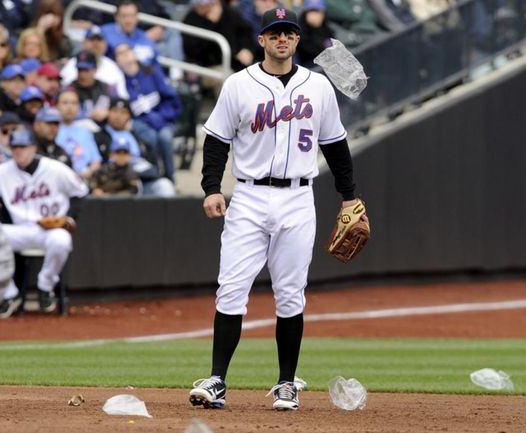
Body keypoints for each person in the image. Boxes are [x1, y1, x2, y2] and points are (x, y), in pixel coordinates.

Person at [190, 7, 366, 411]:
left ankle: (286, 384)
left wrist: (350, 194)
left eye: (288, 32)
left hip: (298, 198)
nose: (282, 38)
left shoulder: (318, 86)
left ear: (297, 40)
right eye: (274, 33)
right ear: (262, 40)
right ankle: (217, 380)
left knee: (291, 295)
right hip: (249, 196)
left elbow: (335, 145)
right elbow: (216, 140)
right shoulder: (238, 85)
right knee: (231, 289)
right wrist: (211, 188)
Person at [0, 126, 89, 318]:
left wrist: (68, 217)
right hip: (21, 230)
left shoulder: (55, 168)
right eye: (15, 147)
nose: (18, 151)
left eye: (23, 146)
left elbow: (80, 191)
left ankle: (45, 287)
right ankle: (9, 294)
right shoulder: (3, 171)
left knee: (62, 240)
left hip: (50, 230)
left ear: (34, 148)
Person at [114, 44, 182, 183]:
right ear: (116, 61)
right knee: (151, 138)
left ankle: (170, 178)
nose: (125, 56)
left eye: (127, 51)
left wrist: (162, 117)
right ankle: (155, 177)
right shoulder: (119, 81)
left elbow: (172, 99)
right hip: (140, 121)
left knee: (165, 138)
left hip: (163, 118)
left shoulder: (152, 72)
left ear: (134, 53)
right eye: (119, 54)